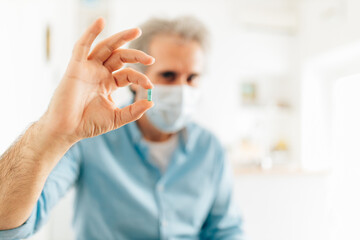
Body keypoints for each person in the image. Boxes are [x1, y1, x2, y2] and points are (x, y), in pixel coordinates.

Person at [0, 16, 243, 239]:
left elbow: (226, 230)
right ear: (136, 80)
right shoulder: (90, 138)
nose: (182, 89)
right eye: (168, 75)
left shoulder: (210, 149)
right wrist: (52, 131)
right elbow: (9, 226)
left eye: (192, 78)